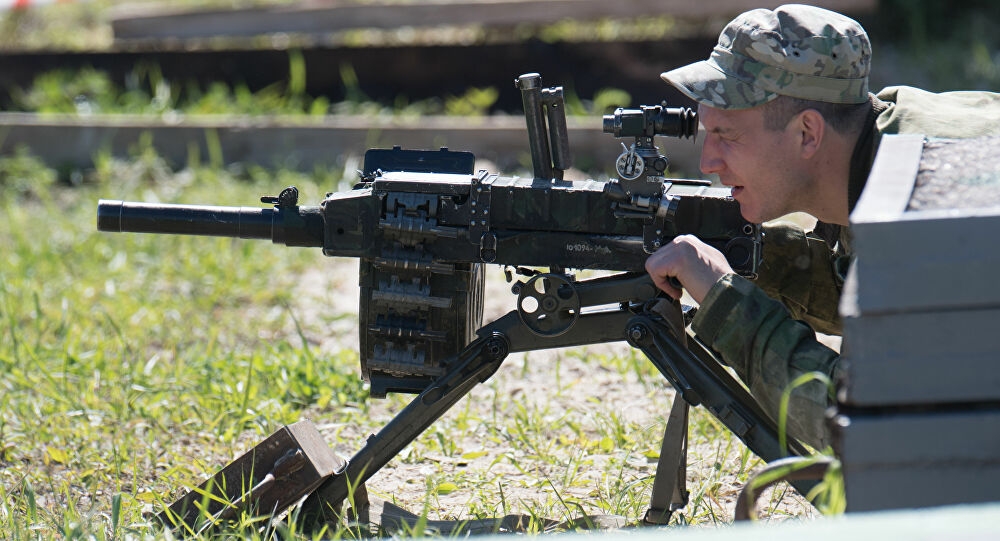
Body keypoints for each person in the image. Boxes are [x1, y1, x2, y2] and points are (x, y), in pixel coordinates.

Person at [644, 4, 1000, 450]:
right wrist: (750, 256)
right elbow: (859, 292)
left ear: (808, 134)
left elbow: (871, 428)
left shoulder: (926, 209)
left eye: (728, 136)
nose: (708, 162)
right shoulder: (884, 142)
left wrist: (725, 303)